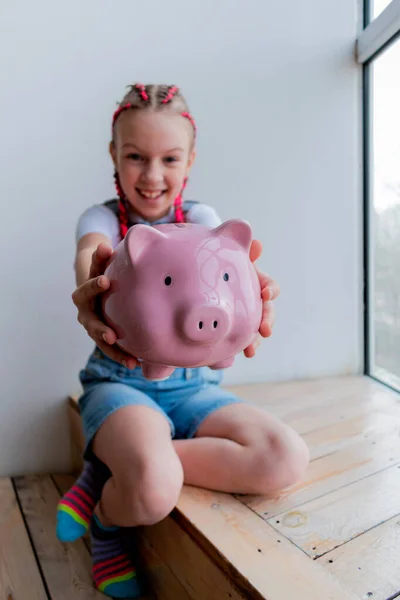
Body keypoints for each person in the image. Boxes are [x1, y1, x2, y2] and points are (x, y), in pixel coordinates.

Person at [56, 83, 309, 598]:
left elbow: (232, 272)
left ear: (190, 159)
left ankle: (112, 465)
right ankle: (107, 521)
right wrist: (94, 282)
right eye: (135, 157)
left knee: (285, 456)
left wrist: (254, 296)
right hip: (119, 383)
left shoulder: (202, 219)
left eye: (169, 158)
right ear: (114, 155)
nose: (152, 176)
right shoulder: (102, 219)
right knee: (153, 490)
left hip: (196, 386)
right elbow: (92, 257)